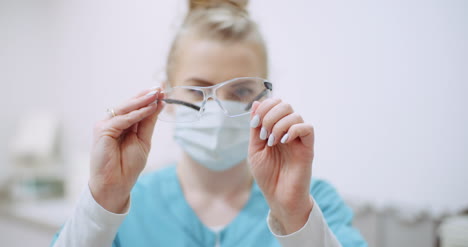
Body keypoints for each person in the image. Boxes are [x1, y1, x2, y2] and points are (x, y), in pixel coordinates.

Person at [51, 0, 367, 246]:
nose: (216, 109)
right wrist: (102, 199)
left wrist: (296, 218)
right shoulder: (125, 204)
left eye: (240, 90)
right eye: (198, 89)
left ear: (265, 96)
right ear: (165, 95)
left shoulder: (312, 201)